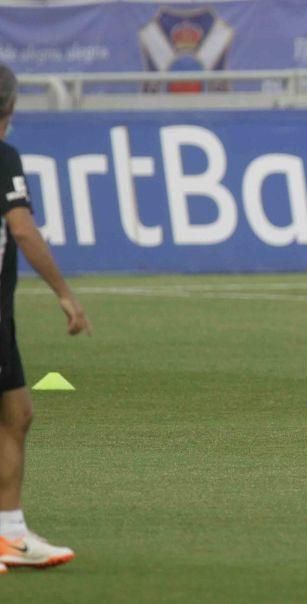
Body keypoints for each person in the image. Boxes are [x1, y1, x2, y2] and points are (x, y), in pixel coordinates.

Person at [0, 64, 92, 573]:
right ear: (9, 110)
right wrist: (65, 294)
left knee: (17, 414)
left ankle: (10, 533)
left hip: (0, 315)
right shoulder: (3, 156)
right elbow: (23, 230)